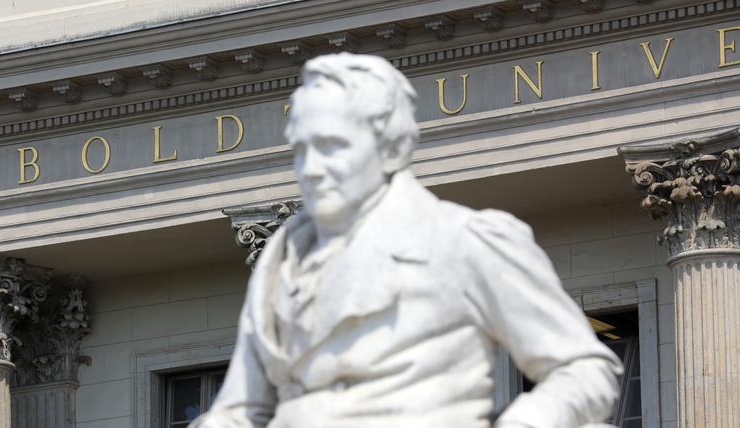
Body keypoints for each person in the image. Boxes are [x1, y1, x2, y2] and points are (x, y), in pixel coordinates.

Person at [190, 53, 623, 428]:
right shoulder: (281, 261)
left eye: (331, 146)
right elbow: (239, 411)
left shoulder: (464, 240)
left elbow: (583, 369)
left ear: (392, 147)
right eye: (300, 150)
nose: (311, 168)